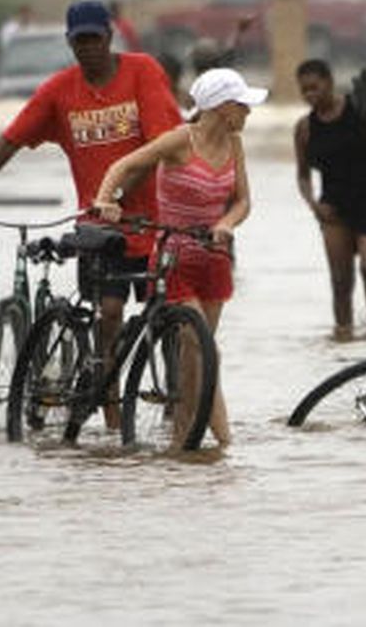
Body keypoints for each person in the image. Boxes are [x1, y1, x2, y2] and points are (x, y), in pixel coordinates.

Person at [0, 0, 183, 422]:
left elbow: (160, 147)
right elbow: (10, 141)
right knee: (108, 315)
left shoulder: (143, 71)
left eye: (95, 38)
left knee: (167, 318)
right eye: (80, 41)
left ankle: (174, 407)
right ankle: (111, 418)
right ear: (70, 44)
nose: (88, 48)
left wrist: (118, 192)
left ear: (110, 37)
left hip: (154, 220)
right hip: (100, 228)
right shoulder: (59, 91)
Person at [93, 67, 266, 447]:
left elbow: (243, 201)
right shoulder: (178, 141)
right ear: (221, 107)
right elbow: (123, 166)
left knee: (199, 359)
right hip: (174, 258)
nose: (248, 113)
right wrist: (105, 200)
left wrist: (226, 224)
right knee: (202, 350)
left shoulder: (234, 144)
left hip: (215, 258)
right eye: (243, 106)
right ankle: (216, 442)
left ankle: (194, 441)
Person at [294, 59, 366, 338]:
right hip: (333, 207)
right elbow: (303, 175)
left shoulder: (358, 108)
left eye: (314, 88)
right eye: (304, 90)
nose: (309, 95)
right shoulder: (304, 128)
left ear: (329, 82)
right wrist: (313, 205)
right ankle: (343, 336)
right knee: (340, 281)